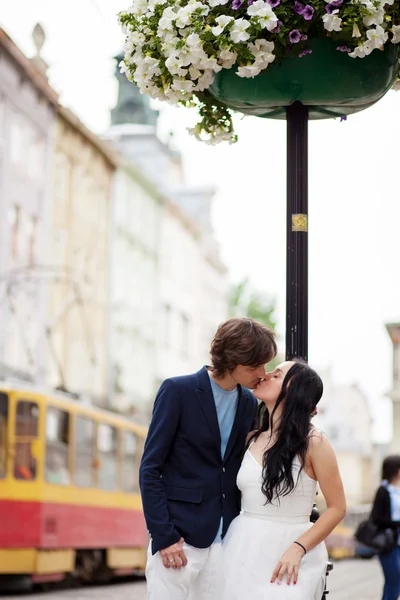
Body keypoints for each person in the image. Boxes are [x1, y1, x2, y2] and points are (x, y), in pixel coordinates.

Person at [140, 317, 277, 600]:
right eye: (254, 366)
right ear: (232, 360)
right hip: (179, 538)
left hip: (226, 541)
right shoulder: (178, 391)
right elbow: (150, 468)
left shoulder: (249, 403)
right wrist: (164, 536)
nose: (262, 373)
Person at [222, 359, 346, 600]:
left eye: (277, 375)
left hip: (290, 553)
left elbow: (337, 507)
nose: (266, 375)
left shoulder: (314, 442)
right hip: (241, 549)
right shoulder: (250, 438)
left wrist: (298, 549)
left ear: (295, 391)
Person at [371, 455, 400, 600]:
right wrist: (397, 523)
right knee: (394, 580)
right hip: (388, 544)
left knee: (395, 582)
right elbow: (376, 518)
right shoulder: (383, 491)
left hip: (398, 542)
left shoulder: (397, 490)